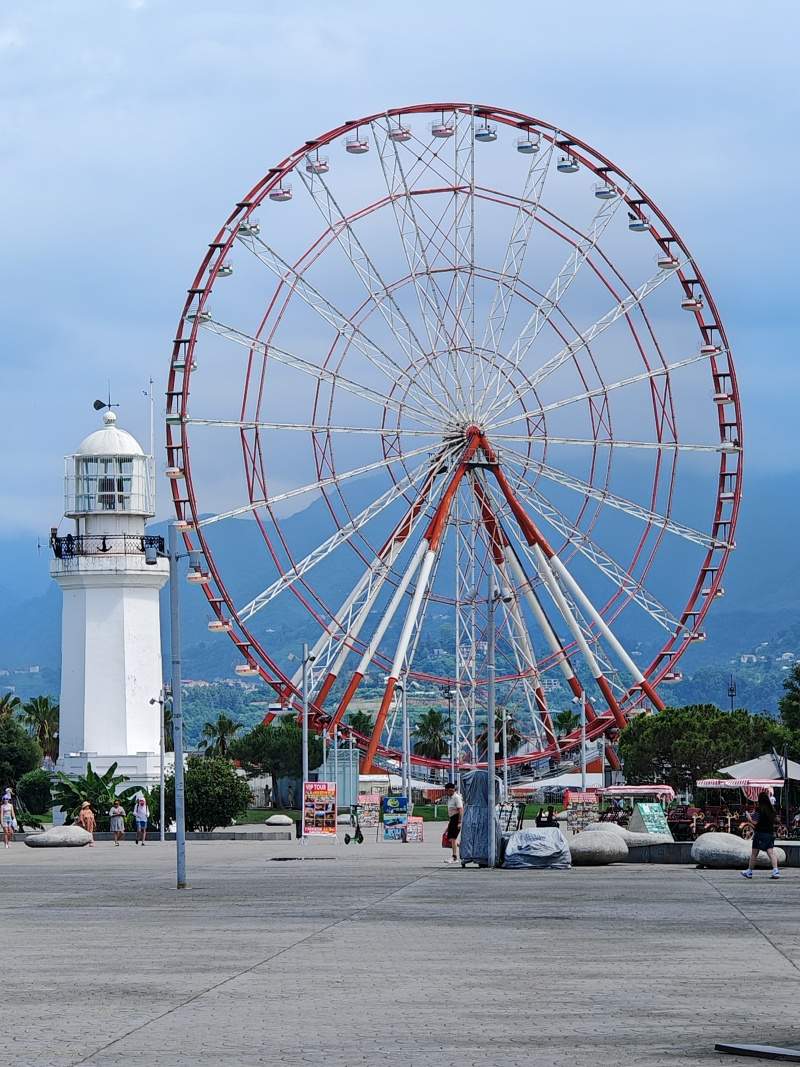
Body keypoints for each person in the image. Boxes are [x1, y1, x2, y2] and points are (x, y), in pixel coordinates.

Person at [742, 791, 780, 879]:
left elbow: (755, 823)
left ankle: (749, 872)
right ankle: (776, 871)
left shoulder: (759, 809)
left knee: (754, 854)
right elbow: (776, 820)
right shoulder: (772, 810)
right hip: (770, 833)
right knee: (771, 852)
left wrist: (749, 818)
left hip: (760, 833)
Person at [443, 782, 463, 864]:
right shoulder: (450, 798)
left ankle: (454, 857)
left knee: (453, 838)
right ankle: (463, 848)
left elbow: (461, 809)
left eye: (446, 791)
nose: (446, 792)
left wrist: (459, 822)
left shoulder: (456, 797)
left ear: (451, 790)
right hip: (452, 819)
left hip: (456, 818)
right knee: (451, 838)